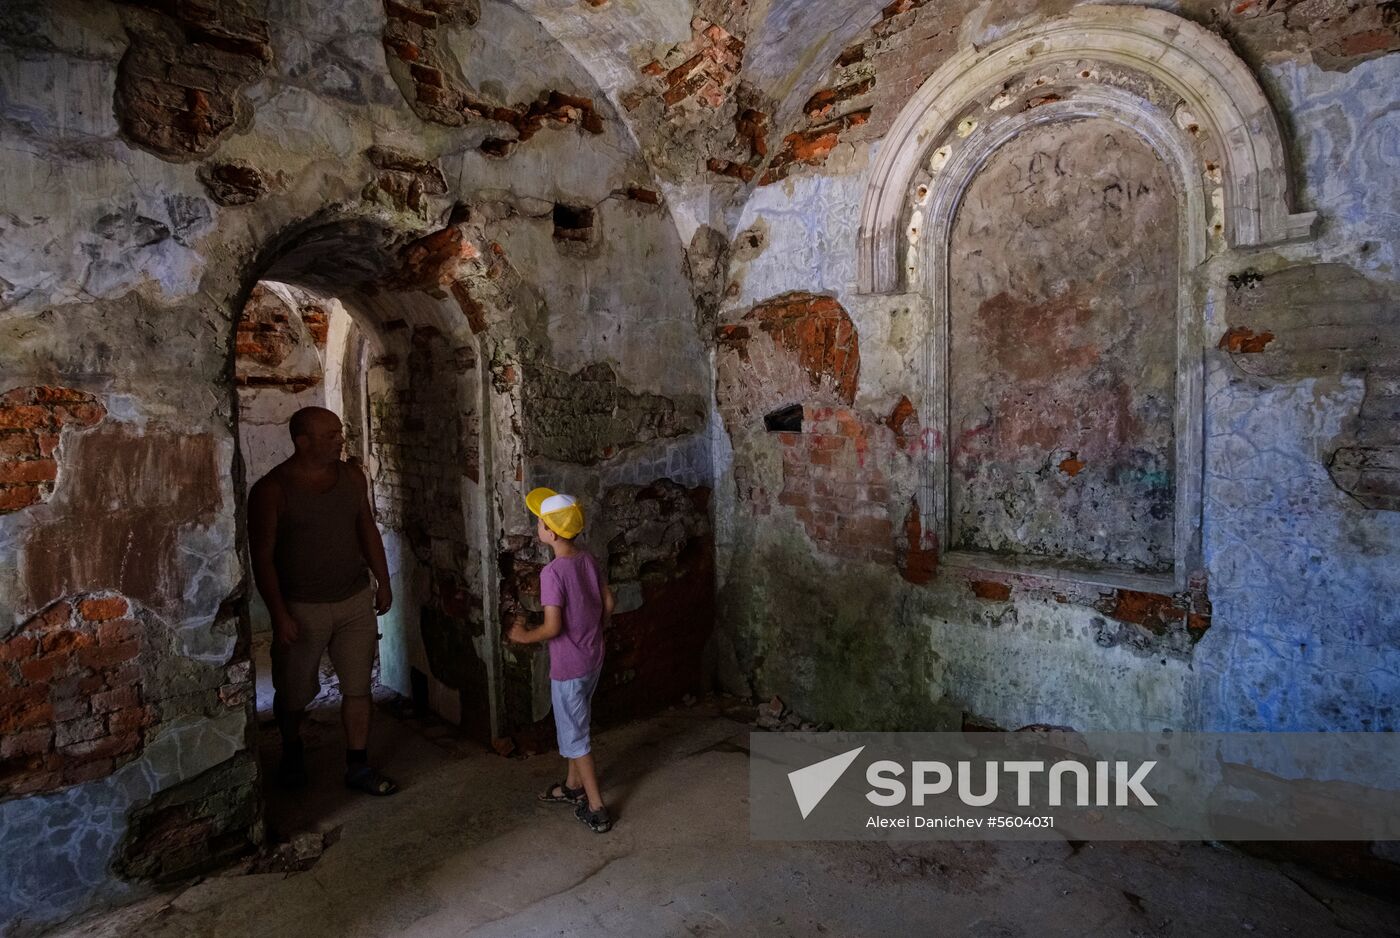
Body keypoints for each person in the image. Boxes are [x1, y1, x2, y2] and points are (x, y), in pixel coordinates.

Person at [248, 406, 398, 796]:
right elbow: (262, 558)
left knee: (358, 687)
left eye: (339, 432)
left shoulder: (351, 477)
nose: (339, 440)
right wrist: (279, 614)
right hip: (301, 607)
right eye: (330, 435)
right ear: (303, 442)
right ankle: (291, 750)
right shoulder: (272, 490)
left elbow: (366, 528)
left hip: (353, 600)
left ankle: (358, 764)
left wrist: (383, 581)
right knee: (293, 693)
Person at [508, 487, 614, 833]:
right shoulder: (587, 559)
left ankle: (596, 807)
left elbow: (553, 627)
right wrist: (596, 629)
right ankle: (572, 786)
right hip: (593, 656)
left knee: (576, 737)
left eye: (540, 522)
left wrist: (523, 635)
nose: (537, 526)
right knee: (576, 723)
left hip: (569, 667)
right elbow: (609, 602)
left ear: (550, 533)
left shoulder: (552, 574)